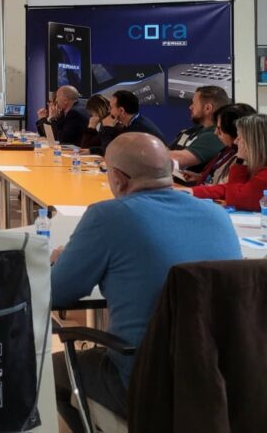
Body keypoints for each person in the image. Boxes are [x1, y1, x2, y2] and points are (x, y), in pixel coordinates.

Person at [50, 133, 241, 432]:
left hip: (145, 383)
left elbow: (57, 291)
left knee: (55, 371)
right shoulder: (218, 215)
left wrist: (62, 259)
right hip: (221, 383)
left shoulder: (108, 216)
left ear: (117, 179)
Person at [192, 113, 267, 211]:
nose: (235, 142)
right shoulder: (262, 166)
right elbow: (229, 188)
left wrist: (239, 163)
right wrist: (191, 191)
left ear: (253, 142)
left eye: (240, 137)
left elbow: (235, 200)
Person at [176, 103, 255, 187]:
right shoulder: (228, 150)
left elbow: (227, 189)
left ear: (234, 130)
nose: (216, 133)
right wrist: (200, 177)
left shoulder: (245, 159)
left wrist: (189, 191)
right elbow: (219, 180)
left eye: (219, 128)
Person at [168, 85, 230, 173]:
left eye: (194, 103)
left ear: (208, 108)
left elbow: (180, 159)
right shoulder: (191, 131)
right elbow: (165, 151)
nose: (190, 107)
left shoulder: (216, 135)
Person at [98, 90, 164, 153]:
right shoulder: (136, 122)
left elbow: (111, 154)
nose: (109, 111)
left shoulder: (135, 131)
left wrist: (106, 129)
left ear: (121, 111)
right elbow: (115, 146)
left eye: (111, 108)